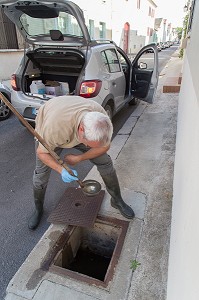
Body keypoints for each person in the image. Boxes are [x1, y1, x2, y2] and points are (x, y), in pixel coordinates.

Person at [28, 96, 135, 230]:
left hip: (75, 125)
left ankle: (117, 200)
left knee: (105, 162)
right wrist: (61, 169)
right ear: (81, 131)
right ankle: (38, 209)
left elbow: (104, 147)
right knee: (41, 175)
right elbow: (41, 153)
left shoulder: (101, 119)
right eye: (88, 144)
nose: (87, 146)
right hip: (53, 126)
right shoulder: (54, 129)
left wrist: (79, 158)